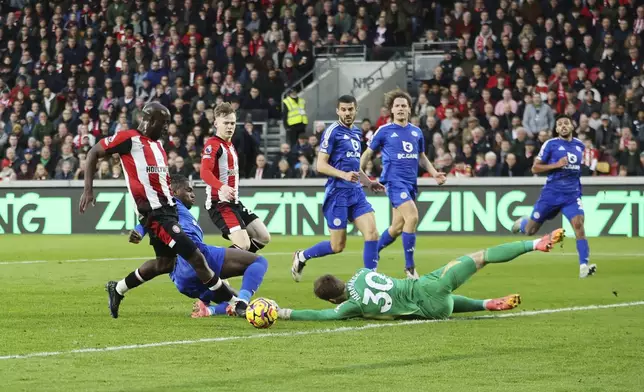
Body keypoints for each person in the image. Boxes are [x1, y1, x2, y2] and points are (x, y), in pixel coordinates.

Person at [79, 102, 234, 318]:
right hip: (157, 216)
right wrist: (88, 189)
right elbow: (94, 152)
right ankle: (236, 303)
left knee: (165, 263)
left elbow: (160, 185)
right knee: (196, 257)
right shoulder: (129, 139)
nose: (166, 128)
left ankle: (118, 288)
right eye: (164, 123)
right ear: (150, 120)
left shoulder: (158, 147)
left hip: (168, 212)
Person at [278, 229, 565, 321]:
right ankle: (534, 243)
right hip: (426, 285)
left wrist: (284, 312)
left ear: (331, 299)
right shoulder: (363, 272)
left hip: (432, 310)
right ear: (340, 280)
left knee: (445, 296)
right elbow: (371, 258)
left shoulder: (350, 308)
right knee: (482, 257)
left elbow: (321, 316)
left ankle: (486, 304)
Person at [129, 175, 268, 317]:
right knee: (259, 262)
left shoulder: (178, 211)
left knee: (231, 298)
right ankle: (243, 303)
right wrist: (139, 231)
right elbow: (150, 219)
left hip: (181, 280)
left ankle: (209, 310)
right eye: (188, 190)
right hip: (197, 258)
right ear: (174, 192)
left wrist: (140, 232)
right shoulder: (171, 204)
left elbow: (152, 220)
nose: (193, 194)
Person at [292, 95, 383, 282]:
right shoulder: (332, 131)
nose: (347, 113)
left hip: (356, 192)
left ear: (356, 110)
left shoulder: (357, 133)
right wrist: (343, 175)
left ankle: (370, 280)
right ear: (337, 111)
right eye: (344, 109)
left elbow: (354, 166)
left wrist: (368, 182)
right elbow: (320, 165)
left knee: (372, 233)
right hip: (337, 194)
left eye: (350, 109)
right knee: (337, 246)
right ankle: (302, 256)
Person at [360, 89, 446, 279]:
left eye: (403, 106)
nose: (400, 109)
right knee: (412, 216)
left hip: (410, 183)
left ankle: (374, 251)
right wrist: (359, 173)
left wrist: (434, 173)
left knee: (397, 227)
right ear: (391, 110)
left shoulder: (416, 132)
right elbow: (368, 153)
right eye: (397, 106)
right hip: (393, 181)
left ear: (409, 110)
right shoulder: (384, 130)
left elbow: (421, 156)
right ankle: (409, 267)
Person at [511, 114, 596, 278]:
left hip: (571, 195)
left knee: (579, 225)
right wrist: (556, 165)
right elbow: (535, 168)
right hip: (551, 194)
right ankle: (523, 223)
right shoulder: (550, 144)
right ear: (556, 129)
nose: (563, 126)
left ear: (572, 126)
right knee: (530, 231)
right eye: (560, 124)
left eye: (566, 123)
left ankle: (584, 266)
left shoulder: (579, 145)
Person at [200, 102, 271, 253]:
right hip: (219, 204)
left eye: (232, 123)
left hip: (234, 203)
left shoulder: (230, 146)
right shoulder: (213, 145)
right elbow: (204, 172)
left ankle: (235, 265)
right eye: (225, 123)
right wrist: (222, 187)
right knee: (243, 245)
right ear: (216, 123)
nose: (230, 126)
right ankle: (210, 269)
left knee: (263, 237)